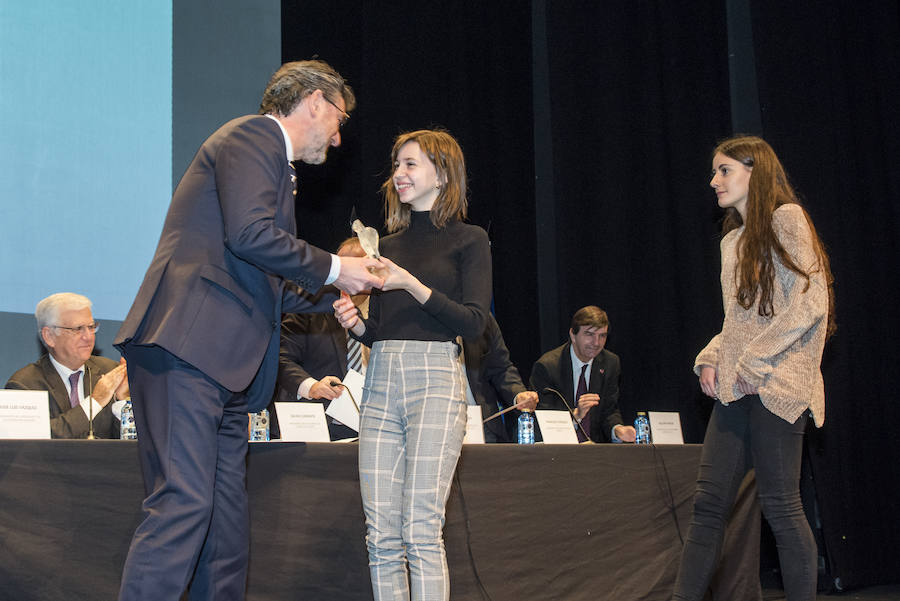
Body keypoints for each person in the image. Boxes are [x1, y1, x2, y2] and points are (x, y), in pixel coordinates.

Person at [113, 60, 383, 601]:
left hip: (229, 371)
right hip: (189, 348)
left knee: (227, 528)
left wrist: (334, 296)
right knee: (184, 505)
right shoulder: (254, 135)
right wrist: (336, 268)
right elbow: (250, 236)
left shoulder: (278, 169)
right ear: (315, 101)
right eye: (339, 120)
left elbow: (261, 278)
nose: (337, 136)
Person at [673, 135, 835, 601]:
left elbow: (811, 301)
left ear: (754, 171)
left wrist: (752, 361)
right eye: (715, 171)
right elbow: (739, 322)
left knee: (781, 506)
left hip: (780, 385)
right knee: (707, 506)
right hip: (739, 388)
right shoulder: (732, 241)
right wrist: (711, 356)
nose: (713, 181)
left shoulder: (787, 219)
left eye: (724, 170)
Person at [333, 129, 492, 601]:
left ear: (442, 174)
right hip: (381, 378)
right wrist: (357, 327)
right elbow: (381, 332)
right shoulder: (389, 245)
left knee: (421, 529)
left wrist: (410, 284)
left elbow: (474, 322)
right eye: (397, 165)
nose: (399, 174)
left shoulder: (470, 240)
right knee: (380, 534)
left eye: (410, 164)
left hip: (436, 379)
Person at [272, 236, 370, 440]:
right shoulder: (310, 310)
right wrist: (312, 386)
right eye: (342, 267)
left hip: (376, 427)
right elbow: (281, 358)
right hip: (321, 427)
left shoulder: (386, 312)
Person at [5, 292, 128, 439]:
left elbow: (128, 444)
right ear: (49, 336)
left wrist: (123, 402)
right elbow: (39, 441)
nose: (88, 337)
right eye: (78, 329)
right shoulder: (25, 384)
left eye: (91, 327)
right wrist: (95, 402)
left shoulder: (110, 371)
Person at [530, 305, 636, 443]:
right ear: (573, 335)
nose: (596, 343)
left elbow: (609, 410)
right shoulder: (548, 366)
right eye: (589, 334)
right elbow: (544, 419)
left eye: (602, 335)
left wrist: (617, 429)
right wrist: (576, 415)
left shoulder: (610, 363)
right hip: (558, 451)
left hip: (594, 451)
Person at [460, 313, 538, 443]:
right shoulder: (425, 311)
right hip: (436, 418)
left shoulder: (481, 317)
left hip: (481, 423)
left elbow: (502, 367)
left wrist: (518, 395)